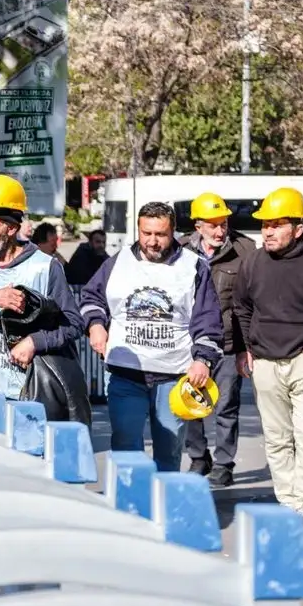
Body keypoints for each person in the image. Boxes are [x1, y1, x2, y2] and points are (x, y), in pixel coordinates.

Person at [79, 201, 222, 473]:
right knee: (125, 448)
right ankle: (127, 510)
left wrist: (203, 359)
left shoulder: (194, 267)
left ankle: (162, 512)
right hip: (125, 373)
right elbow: (91, 297)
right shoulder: (118, 262)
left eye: (161, 234)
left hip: (174, 376)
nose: (153, 242)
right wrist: (96, 325)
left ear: (174, 232)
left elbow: (208, 319)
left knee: (169, 453)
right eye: (146, 233)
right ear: (138, 230)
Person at [0, 174, 89, 424]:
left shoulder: (45, 267)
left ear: (12, 228)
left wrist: (35, 342)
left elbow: (74, 324)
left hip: (30, 394)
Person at [233, 187, 303, 538]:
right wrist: (245, 349)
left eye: (276, 224)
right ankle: (288, 503)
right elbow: (241, 307)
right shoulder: (253, 262)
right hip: (265, 362)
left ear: (298, 228)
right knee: (277, 438)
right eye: (264, 224)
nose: (267, 231)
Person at [179, 192, 256, 486]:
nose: (219, 230)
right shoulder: (181, 250)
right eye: (212, 225)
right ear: (198, 226)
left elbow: (251, 302)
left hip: (228, 343)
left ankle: (224, 463)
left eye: (223, 223)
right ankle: (199, 458)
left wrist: (245, 348)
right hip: (190, 343)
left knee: (226, 405)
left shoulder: (244, 250)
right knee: (190, 404)